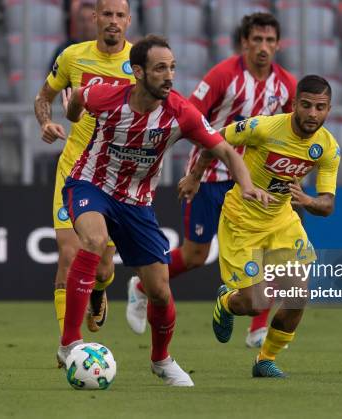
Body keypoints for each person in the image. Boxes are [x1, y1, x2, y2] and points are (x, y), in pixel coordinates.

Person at [57, 35, 274, 386]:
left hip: (137, 203)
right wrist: (72, 113)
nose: (169, 75)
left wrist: (247, 185)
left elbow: (228, 152)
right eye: (160, 68)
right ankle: (69, 343)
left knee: (159, 291)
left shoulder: (181, 111)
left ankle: (161, 361)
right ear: (138, 71)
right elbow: (78, 98)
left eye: (172, 67)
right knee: (94, 241)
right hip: (90, 185)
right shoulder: (109, 95)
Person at [126, 13, 297, 349]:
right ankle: (141, 288)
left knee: (269, 251)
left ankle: (257, 328)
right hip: (210, 175)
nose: (263, 47)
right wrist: (194, 174)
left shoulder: (286, 85)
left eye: (269, 40)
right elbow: (189, 115)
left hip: (254, 181)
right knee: (195, 255)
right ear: (244, 42)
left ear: (278, 44)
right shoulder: (224, 75)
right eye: (256, 40)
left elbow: (290, 135)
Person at [181, 75, 340, 377]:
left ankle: (265, 360)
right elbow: (215, 139)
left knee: (298, 298)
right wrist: (195, 176)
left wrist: (307, 201)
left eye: (320, 108)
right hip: (242, 219)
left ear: (329, 110)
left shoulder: (328, 148)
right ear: (294, 104)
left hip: (282, 221)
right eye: (305, 105)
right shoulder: (263, 127)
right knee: (254, 303)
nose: (312, 114)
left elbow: (328, 204)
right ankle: (227, 302)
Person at [34, 0, 133, 352]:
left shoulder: (139, 64)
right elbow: (43, 97)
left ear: (128, 20)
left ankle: (100, 291)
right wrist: (45, 121)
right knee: (68, 253)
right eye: (107, 14)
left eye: (120, 15)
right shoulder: (73, 57)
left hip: (114, 176)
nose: (113, 21)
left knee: (104, 267)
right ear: (95, 18)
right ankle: (69, 347)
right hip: (75, 168)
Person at [48, 1, 99, 72]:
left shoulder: (105, 50)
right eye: (82, 20)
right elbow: (51, 78)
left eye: (90, 20)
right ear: (76, 22)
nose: (86, 25)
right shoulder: (63, 50)